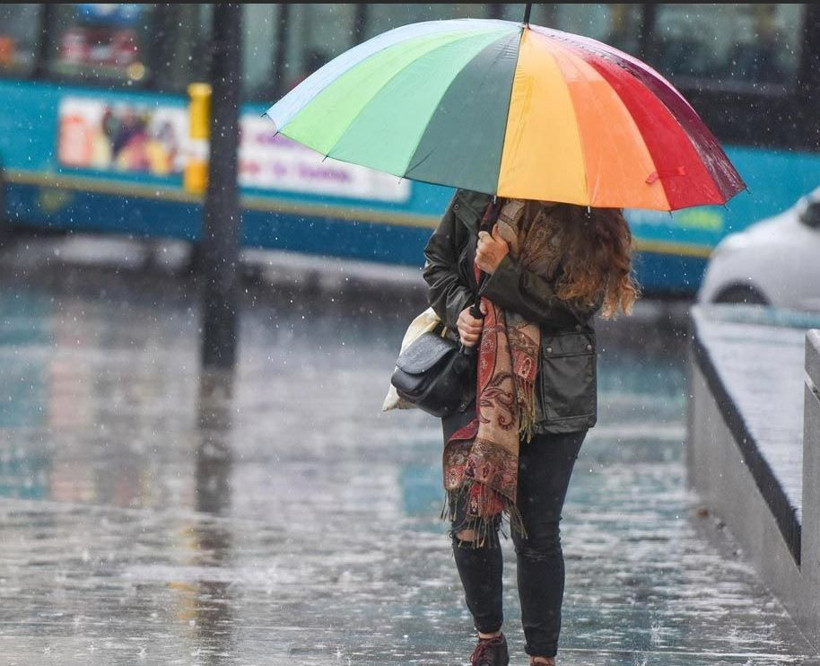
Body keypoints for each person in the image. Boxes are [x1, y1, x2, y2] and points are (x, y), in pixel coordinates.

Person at [422, 189, 639, 666]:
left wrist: (503, 271)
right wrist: (460, 308)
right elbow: (438, 262)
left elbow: (575, 307)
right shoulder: (479, 193)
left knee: (535, 532)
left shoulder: (585, 207)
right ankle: (489, 640)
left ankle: (542, 656)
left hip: (553, 393)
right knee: (470, 522)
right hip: (473, 380)